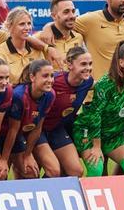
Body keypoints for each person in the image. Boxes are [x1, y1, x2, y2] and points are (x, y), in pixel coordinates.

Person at [72, 41, 124, 177]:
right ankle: (87, 197)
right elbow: (95, 115)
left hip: (114, 135)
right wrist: (96, 146)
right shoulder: (105, 84)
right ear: (121, 62)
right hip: (89, 133)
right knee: (96, 170)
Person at [39, 46, 94, 178]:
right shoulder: (54, 81)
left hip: (58, 130)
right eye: (83, 64)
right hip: (38, 130)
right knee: (32, 172)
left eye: (90, 64)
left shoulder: (88, 82)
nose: (88, 68)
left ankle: (56, 195)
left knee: (76, 171)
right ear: (69, 64)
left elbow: (105, 84)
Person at [6, 59, 56, 178]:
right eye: (45, 76)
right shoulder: (19, 96)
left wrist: (27, 154)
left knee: (55, 171)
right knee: (28, 172)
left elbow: (38, 128)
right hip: (11, 135)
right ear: (32, 77)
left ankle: (42, 193)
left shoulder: (50, 95)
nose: (50, 80)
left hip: (29, 133)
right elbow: (12, 131)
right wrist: (5, 158)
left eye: (52, 76)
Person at [36, 0, 85, 71]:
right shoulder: (41, 37)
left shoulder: (79, 37)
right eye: (66, 12)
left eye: (73, 11)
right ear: (54, 16)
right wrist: (47, 48)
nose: (72, 15)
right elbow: (24, 38)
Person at [0, 7, 40, 83]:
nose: (27, 28)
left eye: (29, 23)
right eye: (22, 24)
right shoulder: (0, 52)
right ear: (10, 26)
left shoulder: (37, 50)